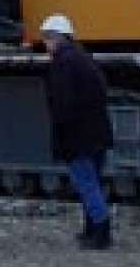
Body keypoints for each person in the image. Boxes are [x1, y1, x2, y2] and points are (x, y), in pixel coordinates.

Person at [39, 13, 114, 249]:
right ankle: (91, 229)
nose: (45, 44)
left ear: (56, 38)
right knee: (92, 182)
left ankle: (101, 234)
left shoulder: (62, 64)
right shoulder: (84, 59)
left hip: (77, 136)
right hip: (97, 133)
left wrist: (61, 131)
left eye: (46, 38)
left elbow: (63, 104)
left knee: (86, 184)